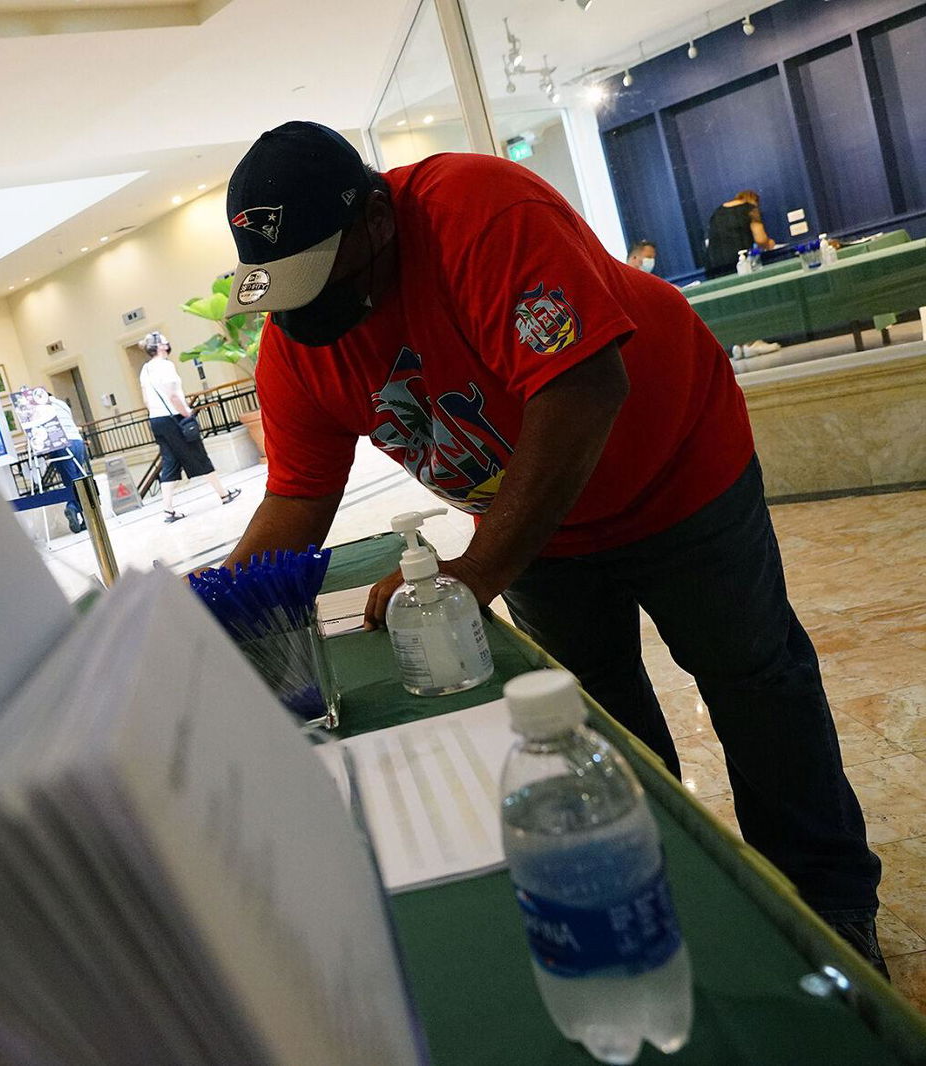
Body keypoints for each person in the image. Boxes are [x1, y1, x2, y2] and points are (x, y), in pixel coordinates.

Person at [219, 121, 885, 972]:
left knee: (753, 681)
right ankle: (667, 889)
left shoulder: (476, 209)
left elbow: (582, 389)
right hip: (540, 524)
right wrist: (211, 618)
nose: (307, 315)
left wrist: (474, 573)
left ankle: (831, 906)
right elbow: (296, 497)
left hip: (678, 467)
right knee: (593, 718)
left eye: (321, 277)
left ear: (377, 221)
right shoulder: (298, 347)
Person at [137, 331, 239, 522]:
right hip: (173, 417)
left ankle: (167, 510)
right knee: (198, 453)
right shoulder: (165, 366)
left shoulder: (146, 369)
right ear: (160, 347)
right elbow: (173, 395)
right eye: (165, 341)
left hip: (156, 420)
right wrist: (186, 413)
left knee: (170, 462)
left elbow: (146, 399)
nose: (168, 342)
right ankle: (224, 494)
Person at [21, 386, 93, 533]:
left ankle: (72, 508)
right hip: (78, 441)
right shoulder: (62, 404)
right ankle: (85, 518)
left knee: (70, 482)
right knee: (78, 478)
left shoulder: (41, 407)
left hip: (60, 443)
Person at [704, 190, 775, 277]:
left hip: (712, 265)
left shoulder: (717, 211)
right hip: (738, 263)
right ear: (754, 200)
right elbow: (761, 240)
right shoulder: (751, 209)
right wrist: (769, 243)